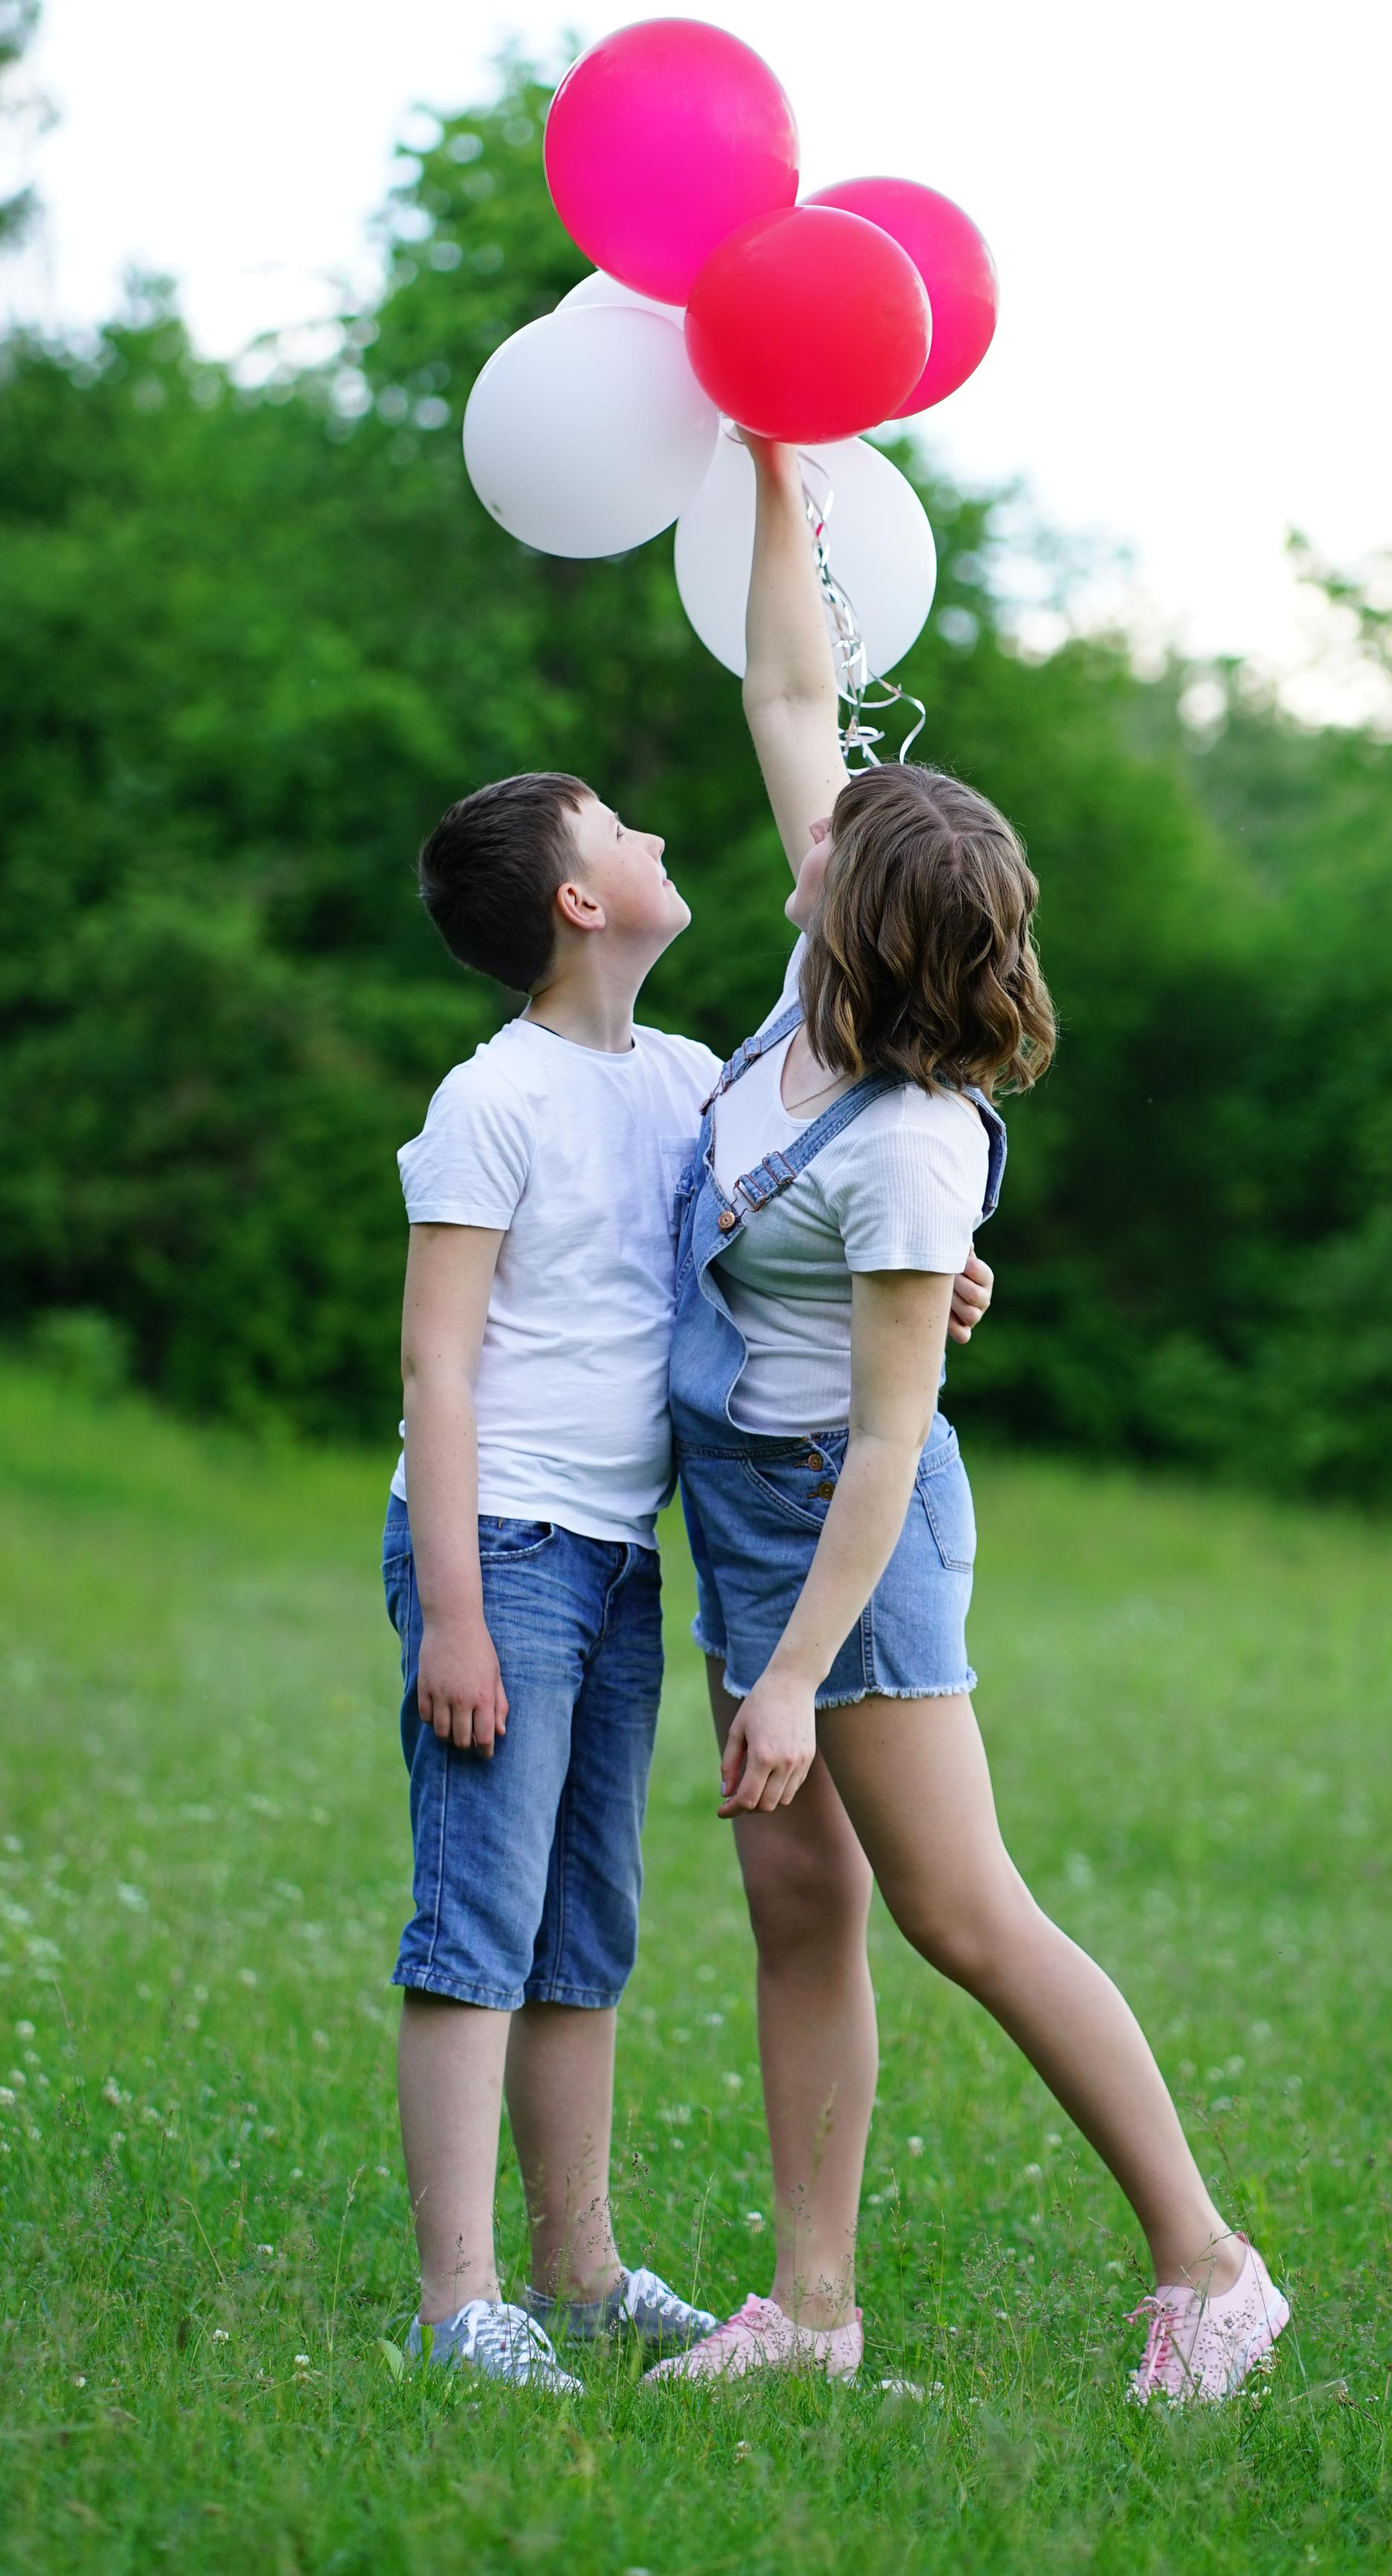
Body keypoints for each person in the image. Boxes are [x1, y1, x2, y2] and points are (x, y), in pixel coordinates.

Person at [645, 439, 1291, 2405]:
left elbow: (878, 1447)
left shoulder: (916, 1158)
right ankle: (813, 2314)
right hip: (755, 1508)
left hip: (850, 1541)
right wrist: (771, 462)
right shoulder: (805, 992)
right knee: (797, 1902)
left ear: (859, 918)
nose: (805, 833)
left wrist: (786, 1680)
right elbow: (781, 687)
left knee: (958, 1910)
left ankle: (1210, 2266)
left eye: (832, 846)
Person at [387, 763, 992, 2388]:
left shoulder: (676, 1079)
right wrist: (450, 1608)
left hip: (618, 1554)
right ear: (582, 901)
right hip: (502, 1550)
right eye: (620, 832)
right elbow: (436, 1373)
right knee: (477, 1925)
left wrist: (929, 1276)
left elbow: (766, 1240)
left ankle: (577, 2276)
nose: (659, 837)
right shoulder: (487, 1099)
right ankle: (458, 2306)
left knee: (583, 1931)